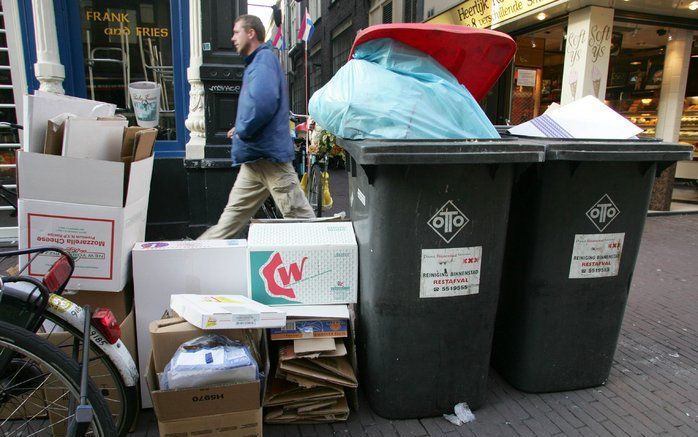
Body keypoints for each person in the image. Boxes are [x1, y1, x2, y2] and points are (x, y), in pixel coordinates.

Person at [198, 14, 314, 240]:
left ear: (251, 33)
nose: (232, 38)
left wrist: (242, 130)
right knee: (229, 223)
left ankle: (329, 263)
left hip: (267, 156)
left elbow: (263, 103)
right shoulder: (258, 63)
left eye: (236, 32)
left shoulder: (263, 61)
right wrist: (240, 128)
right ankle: (192, 260)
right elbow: (259, 105)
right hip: (255, 159)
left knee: (302, 220)